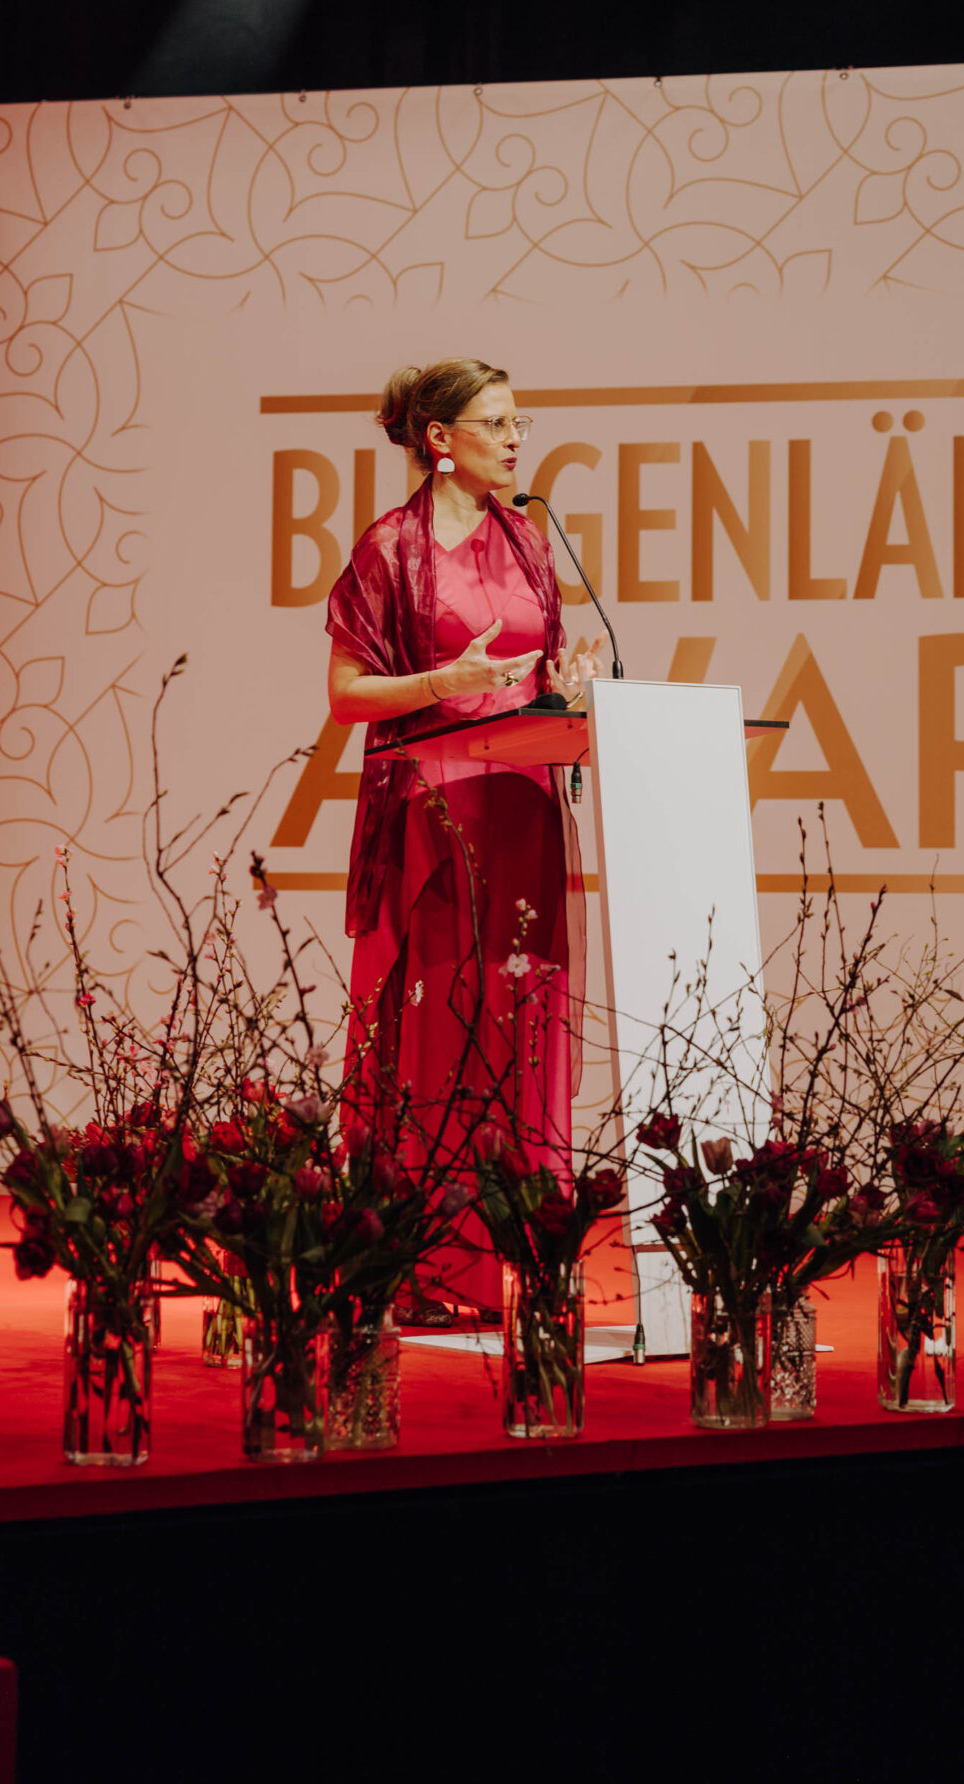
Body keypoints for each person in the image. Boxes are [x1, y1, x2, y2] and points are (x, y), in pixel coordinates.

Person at [326, 357, 598, 1323]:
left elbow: (532, 673)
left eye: (521, 422)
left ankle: (523, 1261)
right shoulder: (389, 548)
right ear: (440, 439)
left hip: (522, 805)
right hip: (434, 810)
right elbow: (346, 694)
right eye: (497, 423)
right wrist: (443, 684)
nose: (516, 439)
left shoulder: (528, 538)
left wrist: (564, 688)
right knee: (441, 1022)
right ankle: (431, 1269)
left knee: (520, 1016)